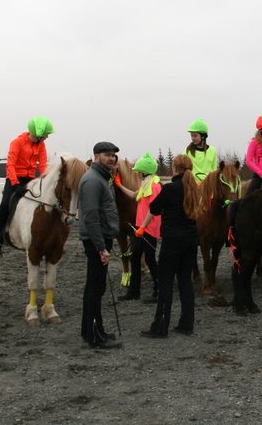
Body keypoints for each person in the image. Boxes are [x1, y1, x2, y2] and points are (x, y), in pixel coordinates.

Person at [139, 154, 203, 338]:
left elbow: (154, 208)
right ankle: (186, 324)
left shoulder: (169, 189)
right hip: (191, 239)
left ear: (175, 169)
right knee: (185, 282)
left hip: (172, 240)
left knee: (166, 282)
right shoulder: (194, 188)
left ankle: (160, 327)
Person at [78, 141, 123, 349]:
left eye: (113, 155)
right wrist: (101, 247)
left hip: (101, 238)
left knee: (94, 286)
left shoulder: (102, 178)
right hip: (97, 240)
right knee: (96, 289)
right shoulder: (93, 180)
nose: (112, 158)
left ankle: (91, 330)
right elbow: (91, 216)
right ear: (96, 156)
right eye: (107, 155)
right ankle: (95, 336)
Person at [0, 116, 53, 256]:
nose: (47, 136)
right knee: (5, 203)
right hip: (14, 179)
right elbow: (10, 164)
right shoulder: (17, 142)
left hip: (30, 179)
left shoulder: (41, 145)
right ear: (39, 133)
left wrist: (45, 180)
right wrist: (15, 183)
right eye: (46, 134)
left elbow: (43, 165)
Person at [114, 152, 161, 302]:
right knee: (135, 259)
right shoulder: (145, 184)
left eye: (139, 171)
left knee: (150, 260)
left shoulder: (154, 186)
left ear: (145, 171)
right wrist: (119, 185)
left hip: (149, 229)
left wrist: (143, 227)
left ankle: (159, 290)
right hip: (141, 229)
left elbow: (153, 209)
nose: (137, 173)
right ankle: (134, 292)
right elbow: (133, 195)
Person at [185, 118, 218, 183]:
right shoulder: (187, 151)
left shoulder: (212, 151)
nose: (193, 138)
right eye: (191, 136)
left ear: (203, 136)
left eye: (195, 136)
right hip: (193, 186)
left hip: (208, 185)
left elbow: (214, 171)